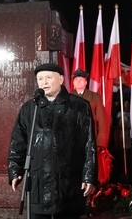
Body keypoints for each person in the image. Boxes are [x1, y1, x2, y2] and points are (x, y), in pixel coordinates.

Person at [8, 63, 96, 219]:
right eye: (40, 79)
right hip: (38, 184)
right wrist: (15, 169)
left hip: (68, 183)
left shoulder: (79, 106)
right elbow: (18, 142)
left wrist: (88, 175)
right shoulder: (29, 108)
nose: (44, 82)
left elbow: (88, 144)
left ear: (61, 79)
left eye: (49, 77)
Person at [71, 68, 109, 185]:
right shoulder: (68, 97)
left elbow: (102, 121)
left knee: (91, 171)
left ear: (86, 82)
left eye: (81, 79)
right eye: (76, 79)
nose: (78, 81)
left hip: (90, 140)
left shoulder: (94, 97)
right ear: (73, 82)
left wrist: (101, 143)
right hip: (72, 141)